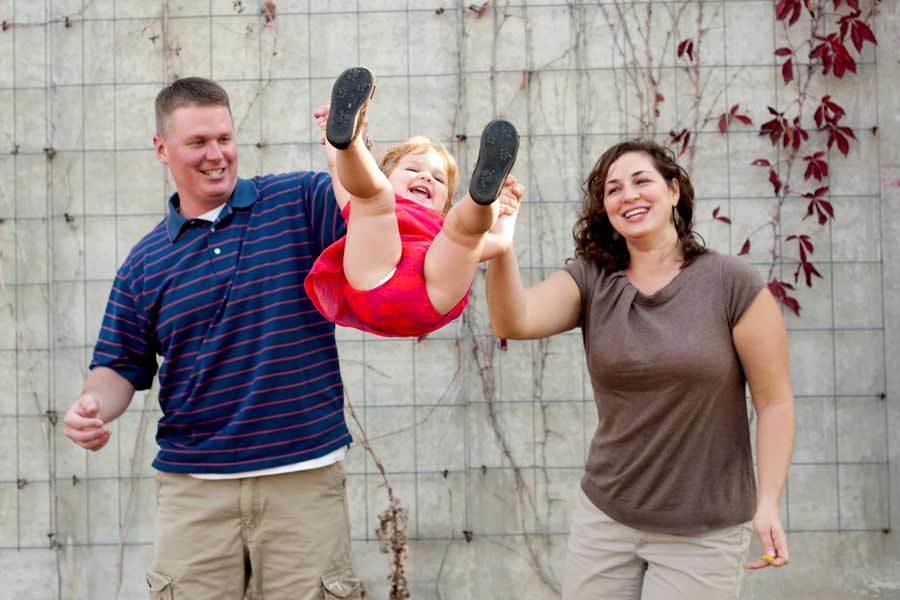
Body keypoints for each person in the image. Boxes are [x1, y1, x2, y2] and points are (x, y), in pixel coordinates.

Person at [61, 77, 363, 600]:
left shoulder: (300, 201)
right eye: (198, 142)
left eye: (224, 138)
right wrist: (91, 408)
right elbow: (119, 366)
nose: (216, 154)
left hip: (303, 479)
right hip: (194, 492)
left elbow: (368, 214)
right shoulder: (145, 263)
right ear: (162, 149)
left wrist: (352, 152)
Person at [485, 139, 795, 599]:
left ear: (673, 191)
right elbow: (514, 320)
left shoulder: (731, 283)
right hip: (607, 517)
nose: (628, 195)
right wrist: (500, 242)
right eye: (613, 189)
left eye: (641, 181)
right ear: (604, 208)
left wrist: (768, 502)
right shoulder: (592, 281)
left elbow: (775, 403)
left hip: (703, 530)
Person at [304, 66, 524, 337]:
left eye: (439, 179)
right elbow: (338, 168)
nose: (426, 177)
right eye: (412, 169)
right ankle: (350, 142)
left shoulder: (441, 227)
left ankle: (483, 198)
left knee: (463, 233)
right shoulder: (376, 200)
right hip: (403, 286)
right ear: (385, 174)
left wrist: (508, 208)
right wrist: (334, 136)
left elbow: (498, 242)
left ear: (443, 205)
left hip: (401, 287)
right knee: (374, 198)